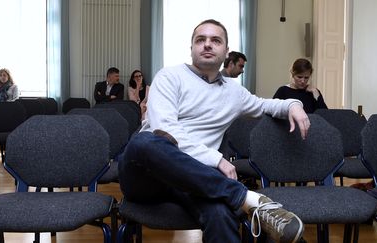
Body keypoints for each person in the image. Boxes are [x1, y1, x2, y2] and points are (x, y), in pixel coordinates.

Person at [118, 19, 310, 243]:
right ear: (191, 48)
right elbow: (165, 132)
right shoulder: (169, 76)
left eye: (215, 40)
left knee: (220, 213)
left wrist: (294, 104)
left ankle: (246, 201)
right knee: (145, 141)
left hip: (197, 180)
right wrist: (217, 159)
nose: (207, 45)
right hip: (147, 177)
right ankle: (246, 198)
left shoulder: (233, 92)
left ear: (226, 51)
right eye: (201, 40)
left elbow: (266, 105)